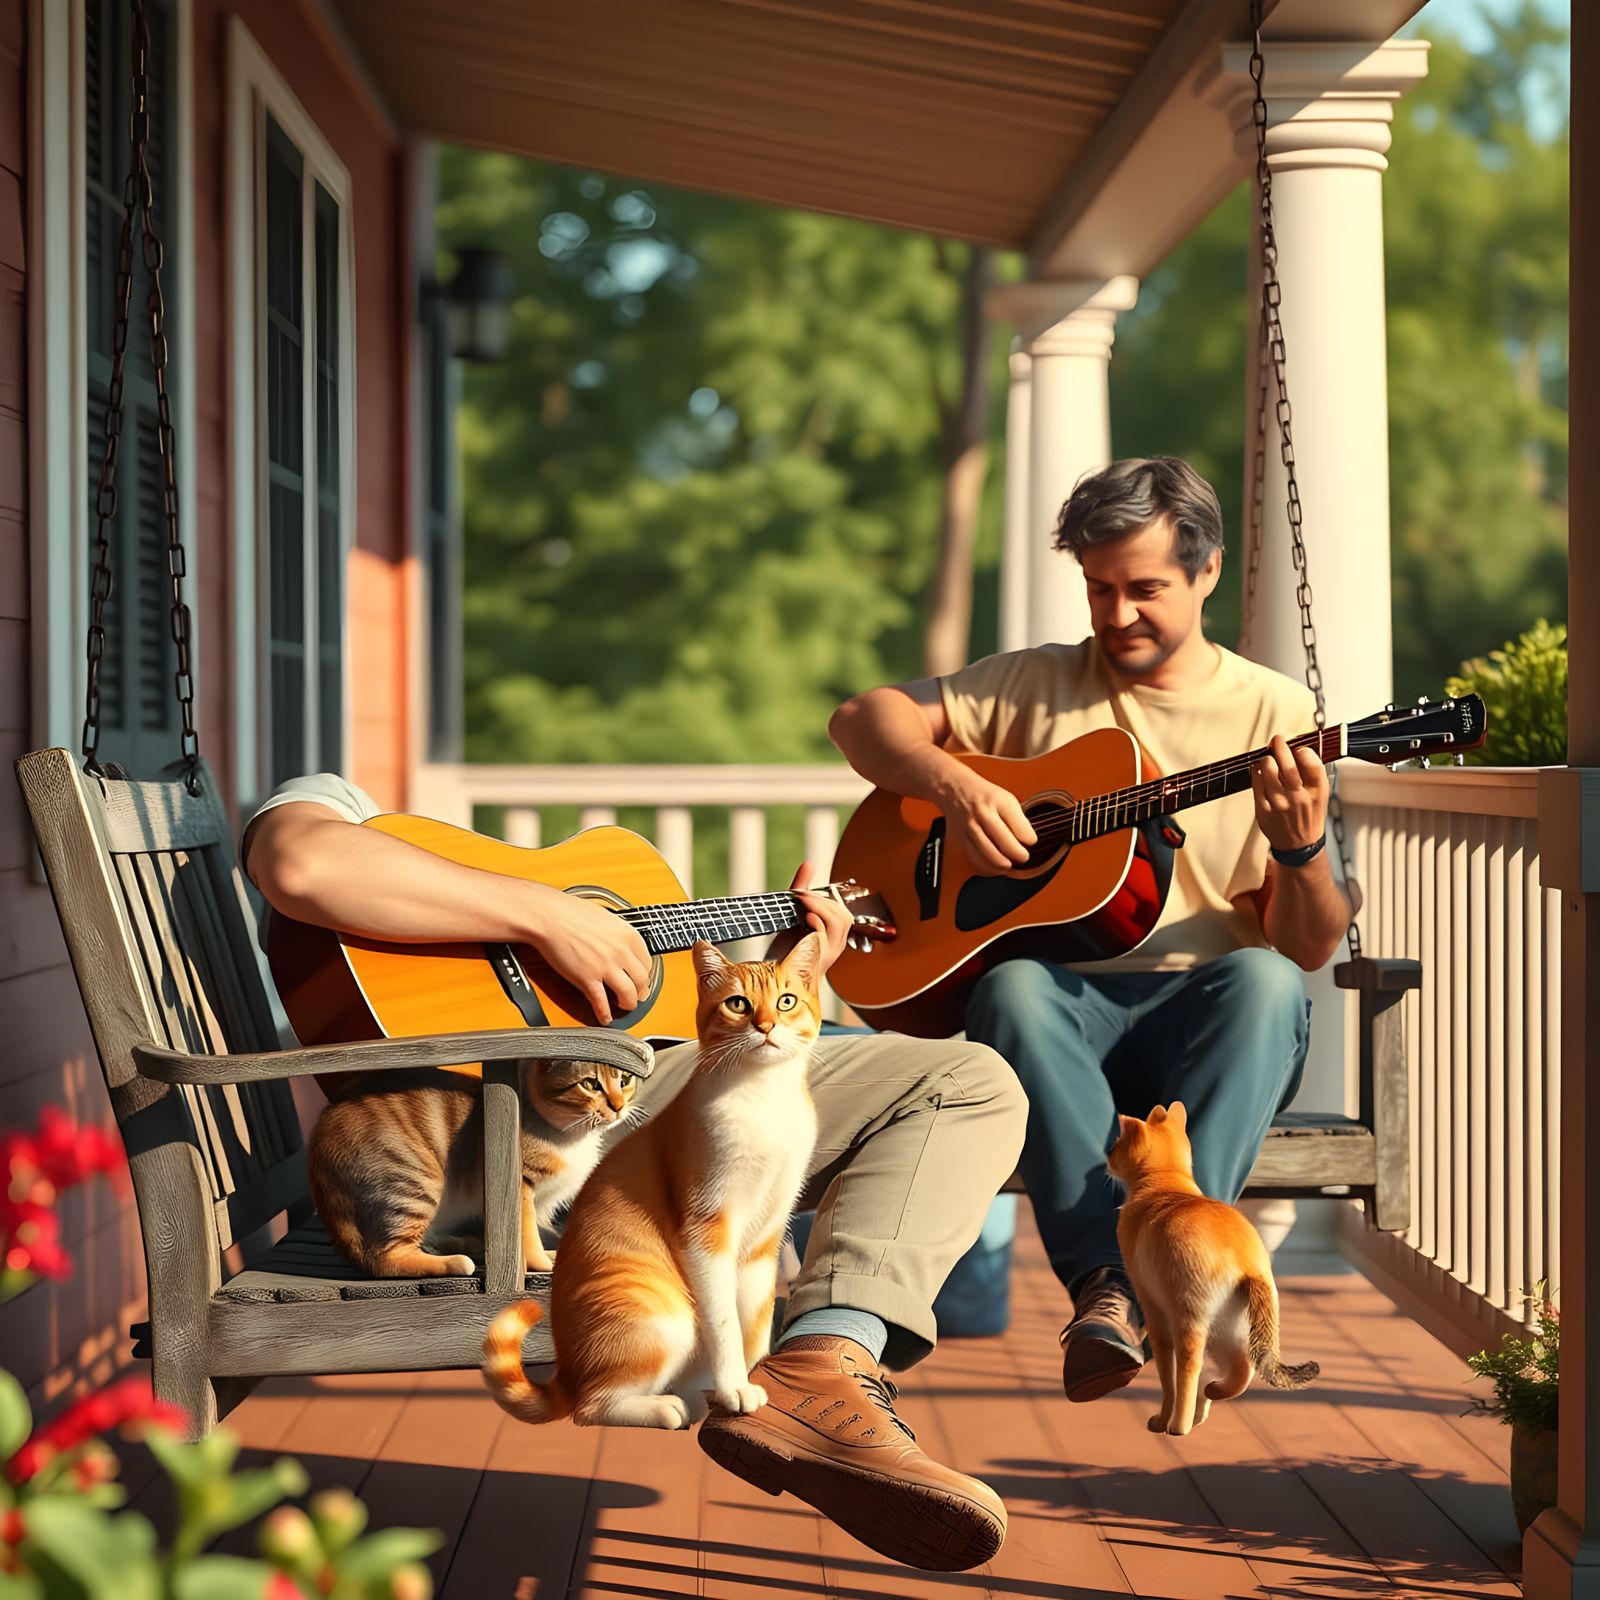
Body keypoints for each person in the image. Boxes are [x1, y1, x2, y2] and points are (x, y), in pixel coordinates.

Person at [242, 775, 1026, 1573]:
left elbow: (713, 994)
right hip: (521, 1105)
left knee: (973, 1080)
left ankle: (822, 1356)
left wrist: (794, 959)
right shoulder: (336, 797)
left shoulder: (429, 835)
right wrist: (550, 916)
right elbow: (300, 862)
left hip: (631, 1078)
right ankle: (796, 1372)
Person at [828, 456, 1356, 1405]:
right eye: (1099, 589)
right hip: (1059, 1035)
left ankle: (1143, 1283)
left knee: (1270, 982)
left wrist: (1303, 849)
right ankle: (1111, 1287)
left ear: (1206, 572)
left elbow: (1311, 946)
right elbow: (862, 718)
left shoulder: (1274, 711)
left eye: (1145, 589)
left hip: (1203, 1037)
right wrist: (955, 781)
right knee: (1012, 984)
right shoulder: (1032, 685)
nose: (1117, 617)